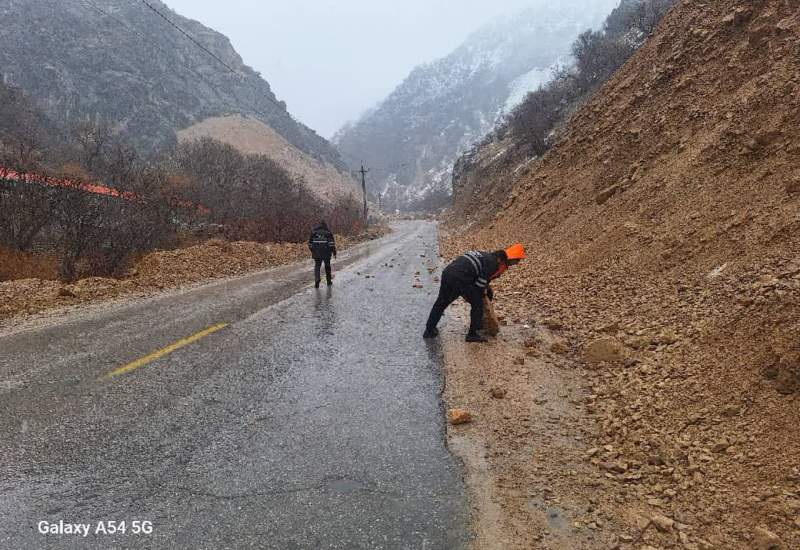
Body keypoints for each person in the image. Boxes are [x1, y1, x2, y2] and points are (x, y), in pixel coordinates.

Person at [424, 244, 526, 343]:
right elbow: (479, 286)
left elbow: (481, 279)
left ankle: (429, 330)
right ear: (503, 260)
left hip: (448, 272)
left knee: (441, 302)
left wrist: (485, 290)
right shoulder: (494, 264)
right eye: (516, 261)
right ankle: (473, 334)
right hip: (461, 277)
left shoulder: (486, 256)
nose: (515, 263)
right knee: (478, 303)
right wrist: (481, 298)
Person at [309, 221, 337, 288]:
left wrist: (313, 251)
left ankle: (317, 279)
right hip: (326, 252)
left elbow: (310, 244)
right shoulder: (328, 233)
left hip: (316, 253)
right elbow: (331, 244)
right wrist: (334, 252)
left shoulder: (314, 232)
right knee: (327, 267)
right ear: (325, 226)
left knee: (317, 266)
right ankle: (328, 281)